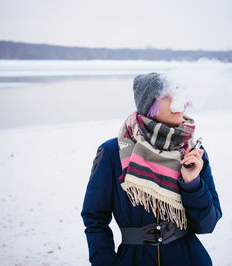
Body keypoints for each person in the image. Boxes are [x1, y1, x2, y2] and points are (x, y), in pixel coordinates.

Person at [81, 72, 223, 266]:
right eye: (165, 96)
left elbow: (208, 225)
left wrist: (193, 183)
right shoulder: (113, 152)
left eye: (178, 93)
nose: (176, 101)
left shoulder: (193, 151)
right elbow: (95, 219)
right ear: (149, 104)